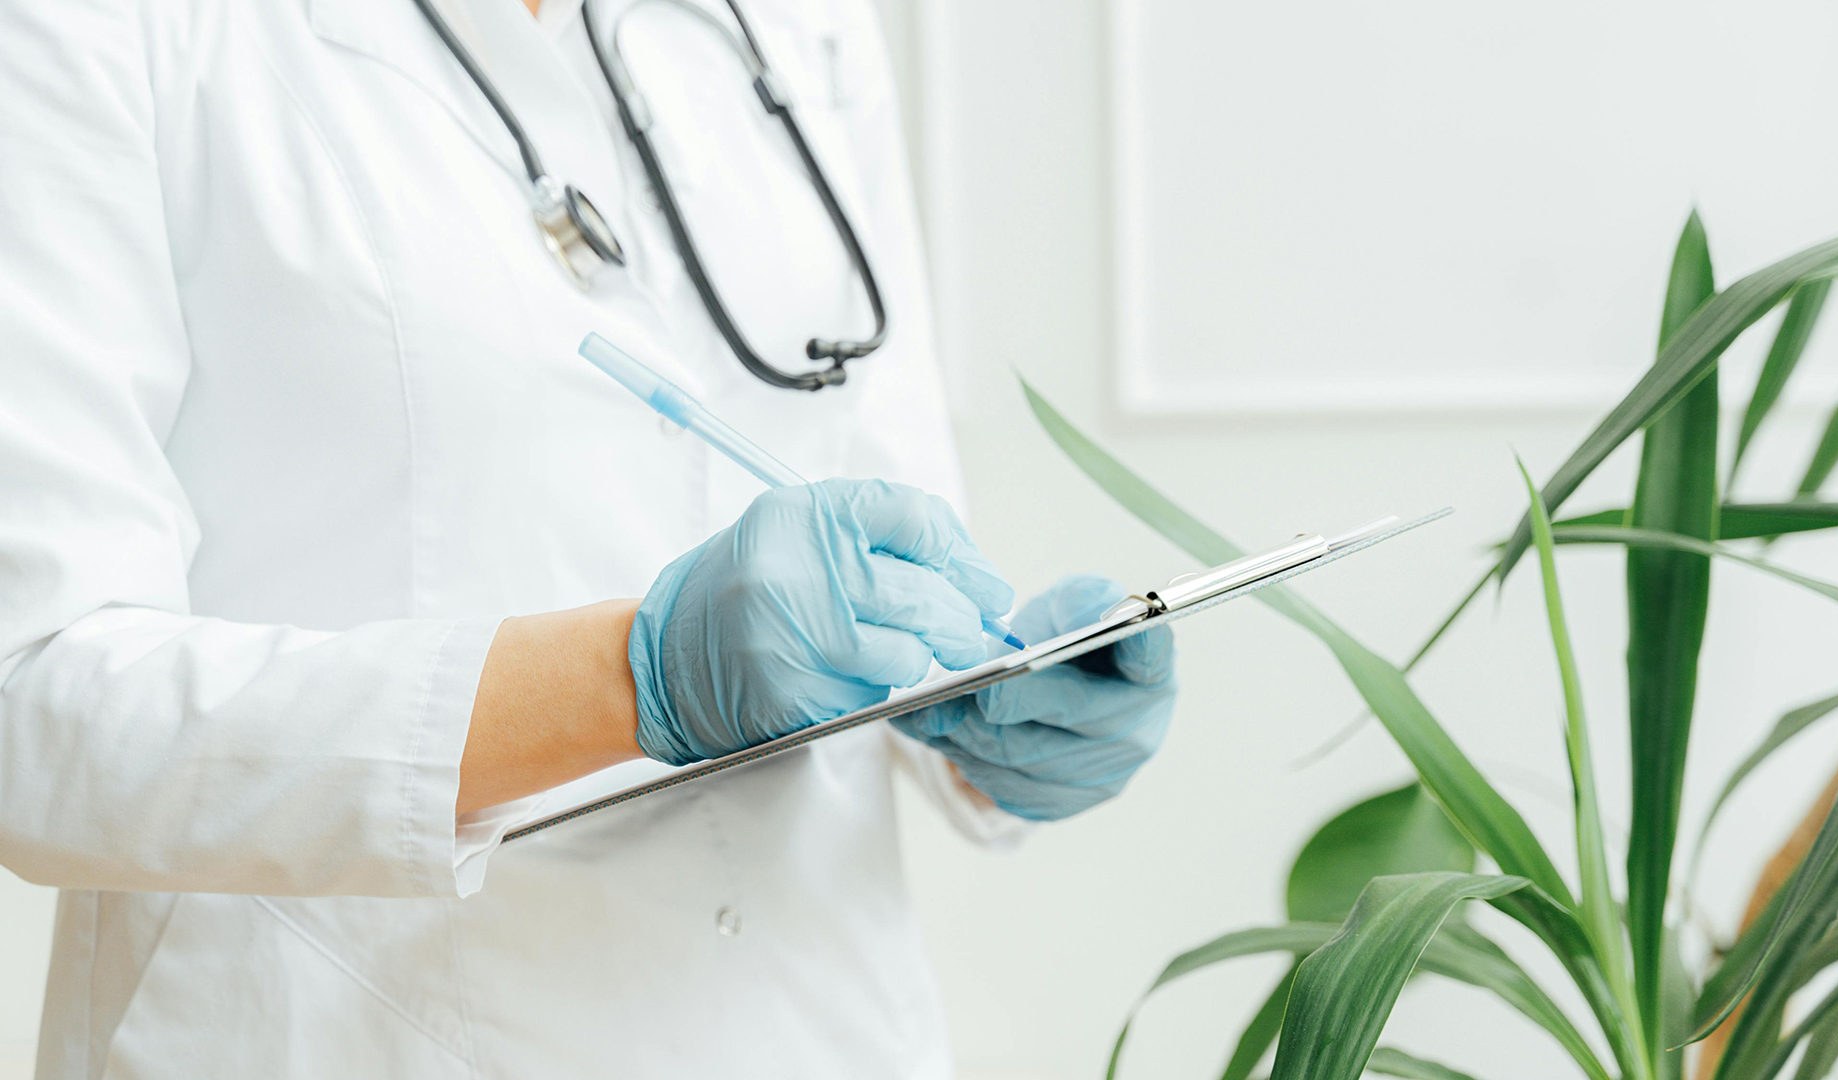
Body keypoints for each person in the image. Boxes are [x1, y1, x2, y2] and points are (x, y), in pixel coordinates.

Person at [0, 0, 1177, 1076]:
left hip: (825, 1024)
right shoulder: (95, 30)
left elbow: (891, 524)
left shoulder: (803, 24)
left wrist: (985, 700)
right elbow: (31, 701)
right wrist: (638, 677)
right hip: (345, 1031)